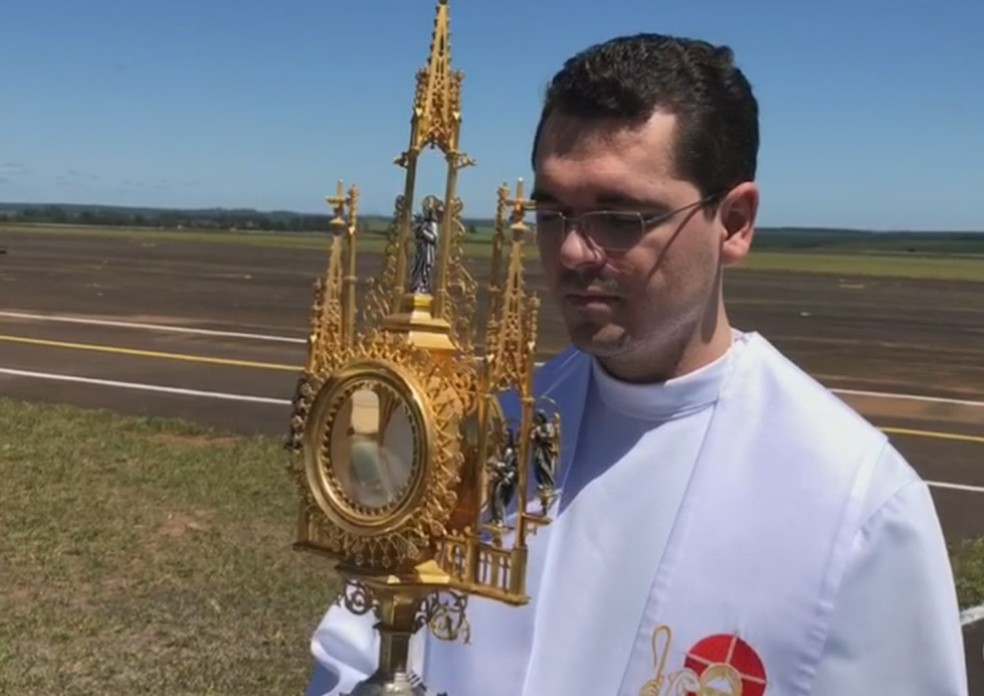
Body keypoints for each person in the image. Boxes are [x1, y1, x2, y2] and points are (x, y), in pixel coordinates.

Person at [305, 33, 968, 695]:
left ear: (734, 222)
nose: (571, 252)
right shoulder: (480, 431)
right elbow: (358, 649)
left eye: (620, 216)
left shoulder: (853, 504)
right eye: (552, 212)